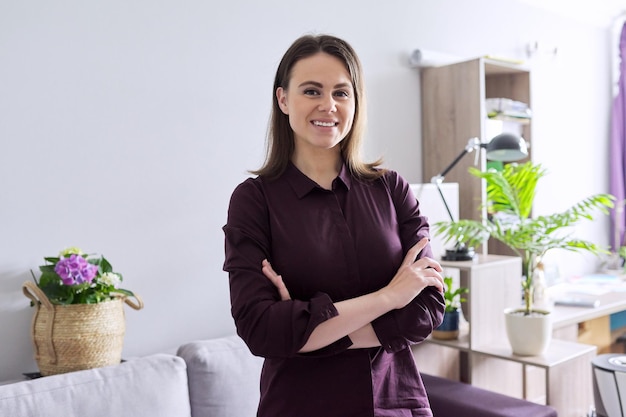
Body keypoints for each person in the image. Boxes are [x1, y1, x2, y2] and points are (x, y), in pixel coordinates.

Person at [223, 34, 445, 417]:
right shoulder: (253, 201)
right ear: (283, 99)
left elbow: (427, 306)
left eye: (342, 93)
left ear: (356, 103)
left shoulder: (392, 189)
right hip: (299, 406)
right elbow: (260, 328)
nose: (328, 105)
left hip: (394, 404)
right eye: (312, 90)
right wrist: (389, 297)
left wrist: (307, 332)